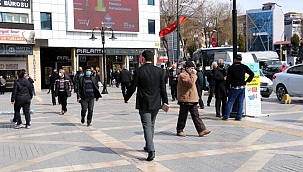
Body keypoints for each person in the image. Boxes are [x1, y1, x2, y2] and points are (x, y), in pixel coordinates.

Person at [124, 50, 168, 161]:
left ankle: (151, 150)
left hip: (143, 102)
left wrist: (126, 97)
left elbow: (133, 87)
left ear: (143, 58)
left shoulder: (139, 71)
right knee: (151, 124)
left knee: (147, 125)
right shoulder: (160, 71)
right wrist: (165, 102)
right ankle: (149, 145)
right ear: (152, 58)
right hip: (156, 102)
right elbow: (163, 89)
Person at [176, 61, 211, 137]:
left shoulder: (191, 75)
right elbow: (190, 83)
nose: (193, 70)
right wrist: (194, 74)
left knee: (196, 115)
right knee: (183, 115)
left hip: (193, 99)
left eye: (193, 68)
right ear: (187, 68)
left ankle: (201, 130)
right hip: (185, 98)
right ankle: (180, 130)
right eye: (191, 68)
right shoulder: (182, 75)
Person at [223, 54, 254, 121]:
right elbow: (252, 74)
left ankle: (226, 115)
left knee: (230, 101)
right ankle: (239, 116)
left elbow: (228, 79)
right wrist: (247, 81)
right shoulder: (244, 67)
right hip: (242, 86)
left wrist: (227, 88)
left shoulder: (231, 68)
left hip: (234, 87)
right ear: (240, 60)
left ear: (235, 60)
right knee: (240, 102)